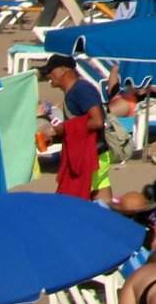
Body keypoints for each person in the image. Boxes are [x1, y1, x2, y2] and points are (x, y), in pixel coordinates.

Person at [43, 54, 107, 201]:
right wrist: (56, 136)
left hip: (93, 154)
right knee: (98, 198)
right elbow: (79, 124)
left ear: (65, 69)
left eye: (51, 70)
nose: (48, 75)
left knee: (90, 199)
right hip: (90, 152)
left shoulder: (82, 90)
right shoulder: (74, 91)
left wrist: (62, 129)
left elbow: (97, 121)